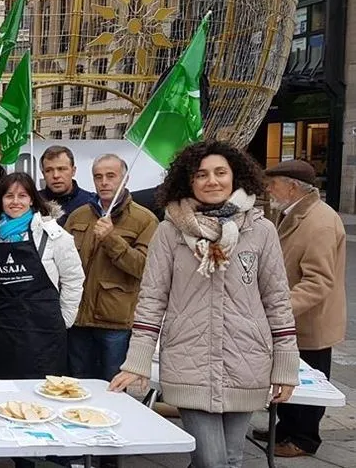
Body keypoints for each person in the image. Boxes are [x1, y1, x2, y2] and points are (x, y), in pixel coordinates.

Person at [110, 140, 298, 468]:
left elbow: (277, 300)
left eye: (220, 172)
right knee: (212, 461)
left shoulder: (261, 230)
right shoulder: (169, 232)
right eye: (202, 174)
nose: (212, 180)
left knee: (231, 458)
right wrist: (137, 361)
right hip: (188, 361)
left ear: (235, 177)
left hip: (247, 361)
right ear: (189, 181)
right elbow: (152, 299)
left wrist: (285, 364)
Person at [260, 160, 346, 458]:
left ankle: (304, 439)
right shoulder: (295, 213)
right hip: (294, 319)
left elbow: (318, 282)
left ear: (292, 187)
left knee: (309, 382)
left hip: (309, 322)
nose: (268, 190)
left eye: (273, 184)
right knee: (287, 376)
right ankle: (284, 429)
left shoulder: (319, 222)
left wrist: (280, 310)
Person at [0, 172, 84, 381]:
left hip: (44, 334)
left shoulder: (53, 235)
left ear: (32, 199)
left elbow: (74, 279)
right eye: (9, 196)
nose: (15, 202)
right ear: (1, 200)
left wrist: (66, 319)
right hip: (1, 332)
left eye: (22, 196)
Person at [64, 154, 158, 381]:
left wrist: (111, 239)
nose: (104, 182)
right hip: (78, 318)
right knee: (76, 383)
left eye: (110, 176)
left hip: (114, 322)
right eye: (98, 177)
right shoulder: (78, 215)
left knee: (113, 386)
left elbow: (143, 268)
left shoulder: (145, 220)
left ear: (125, 179)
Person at [39, 145, 96, 225]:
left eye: (61, 169)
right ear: (43, 174)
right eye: (49, 170)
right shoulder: (33, 202)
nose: (56, 175)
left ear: (73, 171)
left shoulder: (92, 203)